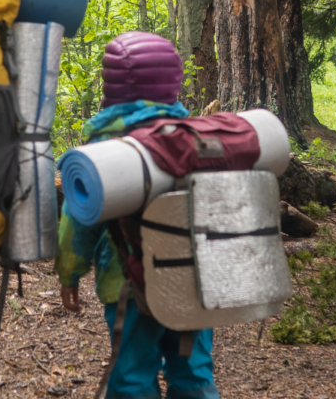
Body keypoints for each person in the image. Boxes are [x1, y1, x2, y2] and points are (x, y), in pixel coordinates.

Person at [57, 31, 220, 399]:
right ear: (173, 83)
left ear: (111, 84)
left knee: (132, 376)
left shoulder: (104, 148)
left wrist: (69, 274)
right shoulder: (193, 139)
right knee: (193, 372)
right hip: (193, 279)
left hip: (128, 283)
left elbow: (79, 221)